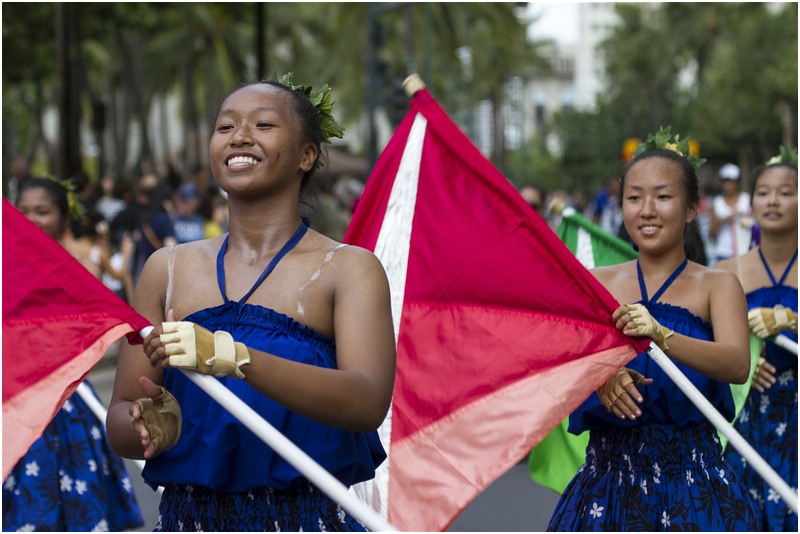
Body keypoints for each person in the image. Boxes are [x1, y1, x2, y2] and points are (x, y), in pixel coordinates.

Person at [106, 76, 396, 531]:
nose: (239, 136)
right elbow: (121, 416)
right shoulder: (167, 268)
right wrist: (146, 425)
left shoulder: (349, 268)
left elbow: (367, 402)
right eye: (225, 126)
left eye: (263, 125)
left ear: (306, 155)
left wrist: (234, 357)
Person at [547, 130, 757, 531]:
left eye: (663, 197)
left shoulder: (718, 284)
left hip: (693, 486)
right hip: (607, 487)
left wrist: (663, 335)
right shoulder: (595, 282)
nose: (647, 210)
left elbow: (736, 364)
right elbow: (561, 365)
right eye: (633, 198)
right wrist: (601, 377)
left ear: (691, 208)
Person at [4, 177, 144, 531]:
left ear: (63, 219)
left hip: (65, 400)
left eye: (42, 211)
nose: (31, 220)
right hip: (13, 402)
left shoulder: (79, 272)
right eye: (23, 211)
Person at [716, 149, 798, 531]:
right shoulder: (725, 272)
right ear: (751, 204)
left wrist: (790, 321)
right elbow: (707, 344)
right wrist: (743, 360)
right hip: (746, 419)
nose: (773, 201)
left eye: (786, 192)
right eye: (764, 193)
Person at [112, 172, 177, 283]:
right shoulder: (162, 218)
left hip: (137, 276)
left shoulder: (129, 211)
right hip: (158, 275)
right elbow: (171, 248)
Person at [709, 162, 752, 263]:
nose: (728, 185)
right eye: (725, 182)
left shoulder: (746, 199)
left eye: (731, 182)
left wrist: (744, 217)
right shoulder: (717, 202)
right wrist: (724, 219)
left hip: (745, 250)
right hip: (723, 252)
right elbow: (712, 234)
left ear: (737, 183)